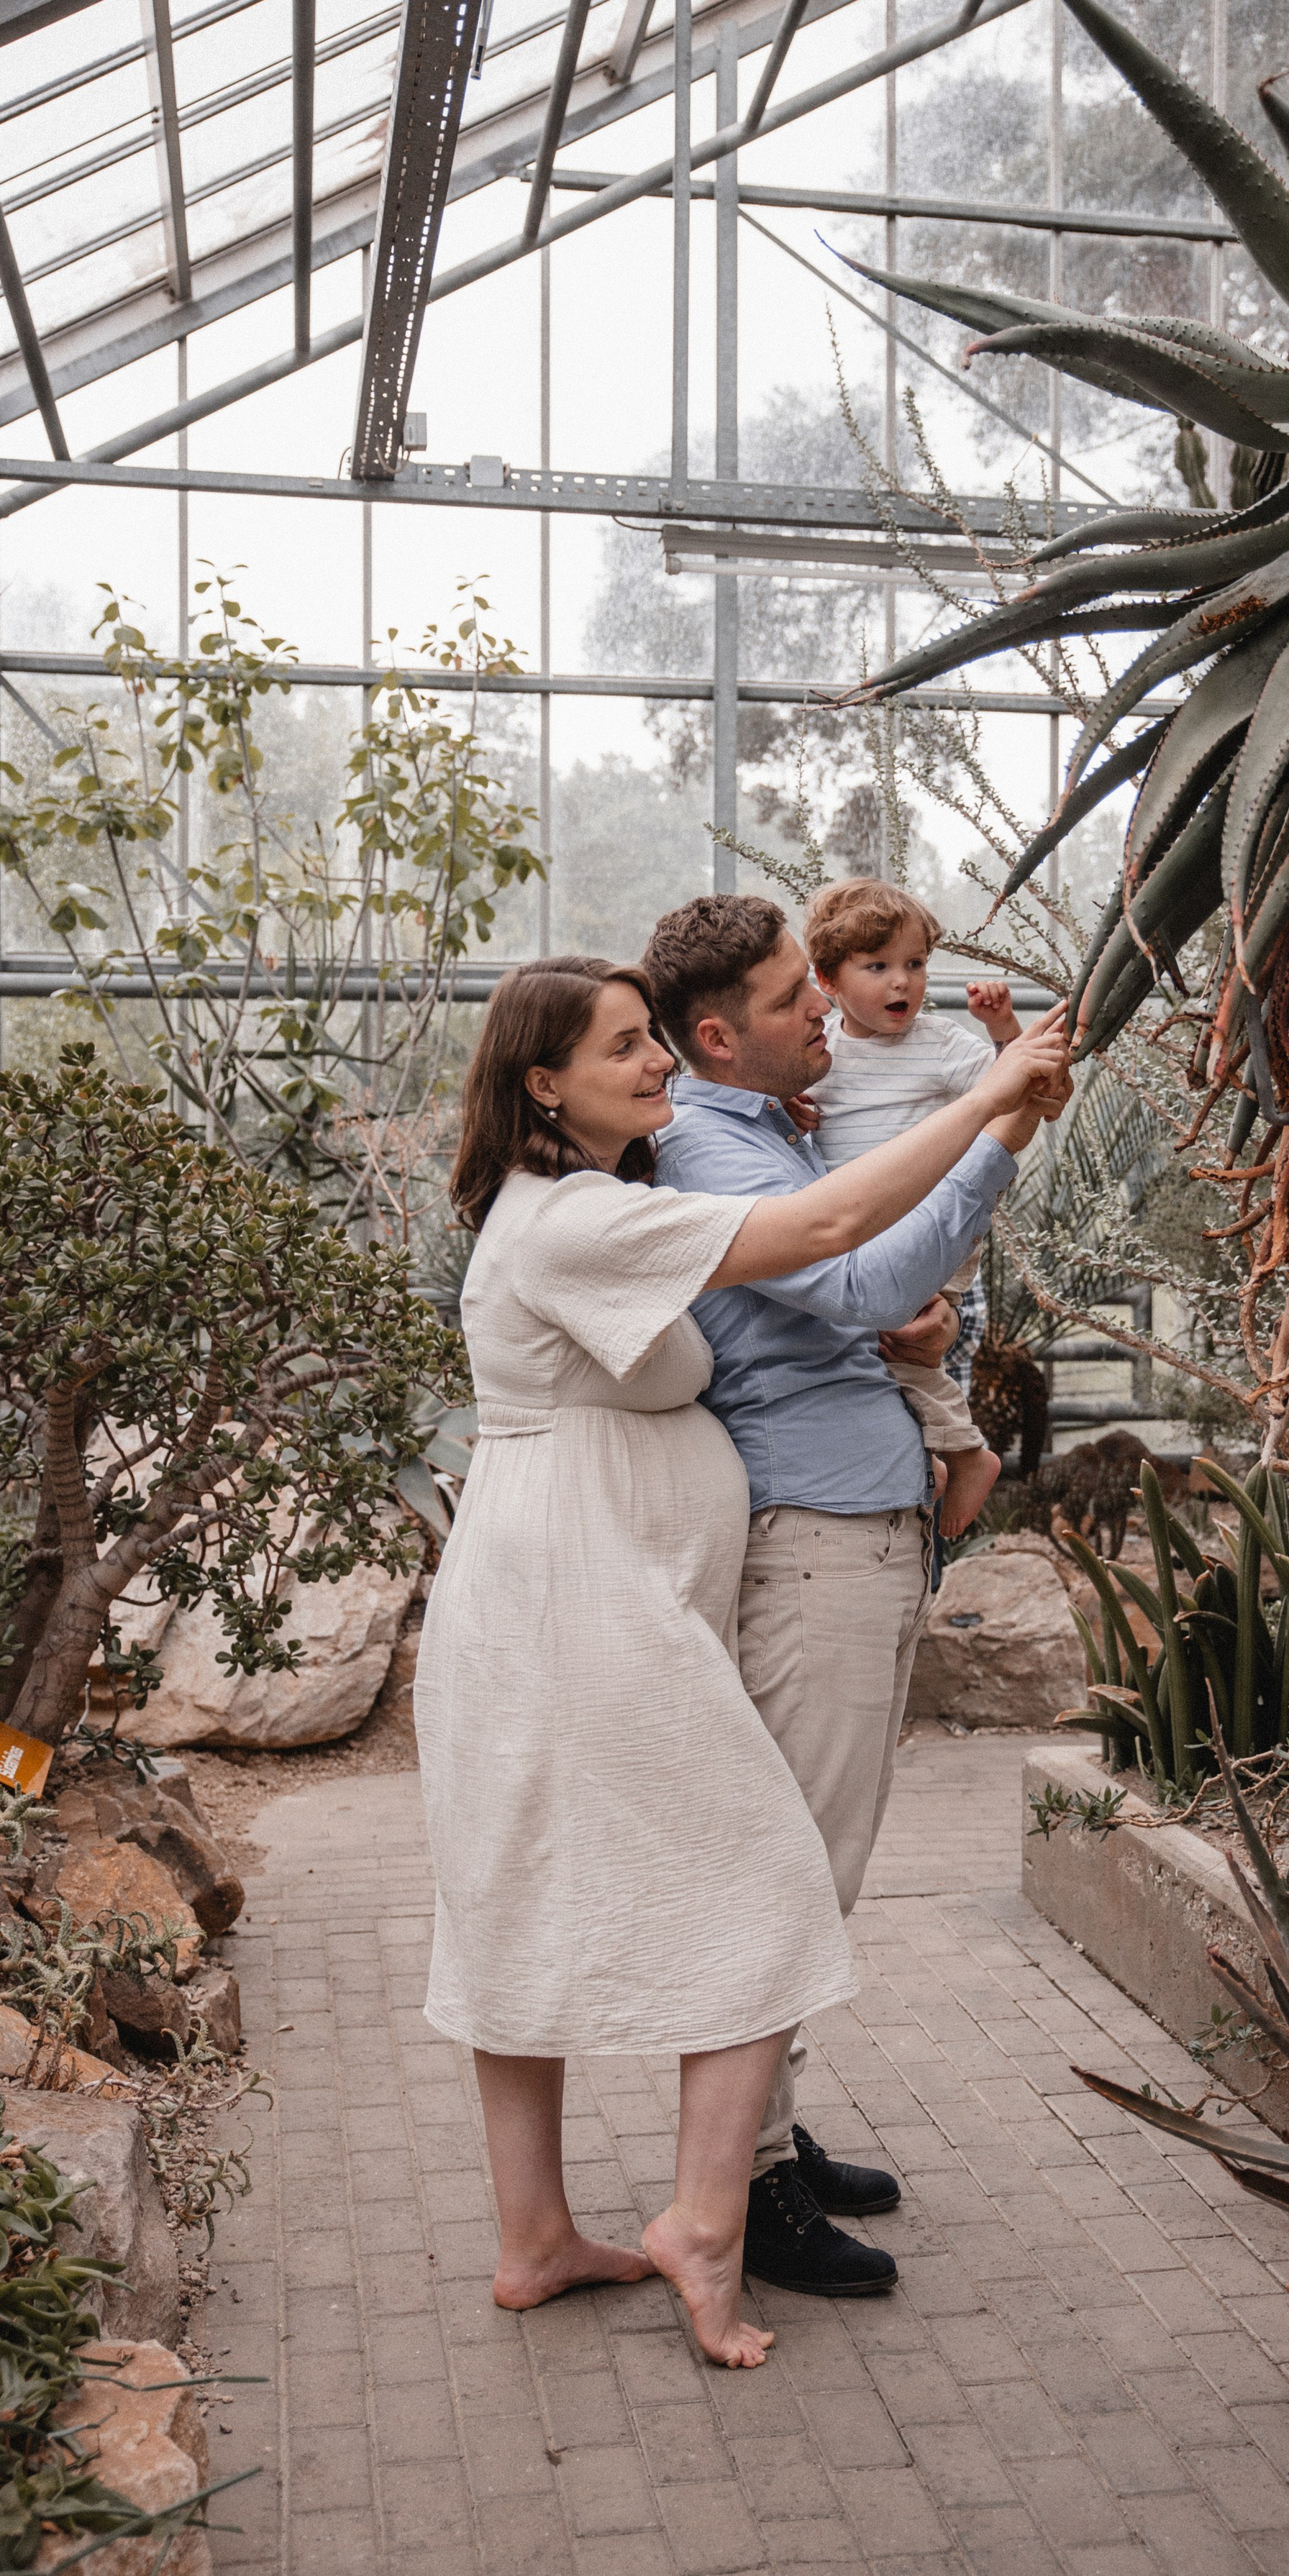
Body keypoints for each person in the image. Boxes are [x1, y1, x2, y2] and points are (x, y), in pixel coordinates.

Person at [415, 953, 1065, 2369]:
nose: (658, 1064)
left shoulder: (583, 1207)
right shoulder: (576, 1216)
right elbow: (830, 1220)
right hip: (579, 1601)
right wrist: (995, 1097)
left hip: (561, 1584)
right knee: (770, 1882)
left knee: (516, 1894)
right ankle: (704, 2226)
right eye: (624, 1049)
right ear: (542, 1084)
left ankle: (535, 2241)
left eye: (656, 1039)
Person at [643, 895, 1067, 2298]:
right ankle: (745, 2186)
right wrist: (1001, 1121)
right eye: (791, 997)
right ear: (716, 1035)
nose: (824, 1008)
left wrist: (928, 1314)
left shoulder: (776, 1126)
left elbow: (883, 1291)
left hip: (853, 1528)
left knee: (804, 1869)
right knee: (792, 1875)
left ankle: (763, 2133)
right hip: (813, 1544)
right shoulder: (711, 1138)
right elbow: (869, 1275)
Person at [803, 875, 1019, 1541]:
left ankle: (964, 1452)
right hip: (859, 1238)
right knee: (872, 1357)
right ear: (828, 982)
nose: (903, 983)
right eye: (878, 967)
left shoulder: (943, 1046)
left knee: (900, 1344)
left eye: (916, 965)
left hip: (929, 1233)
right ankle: (939, 1459)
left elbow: (1017, 1086)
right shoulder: (822, 1054)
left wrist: (1003, 1027)